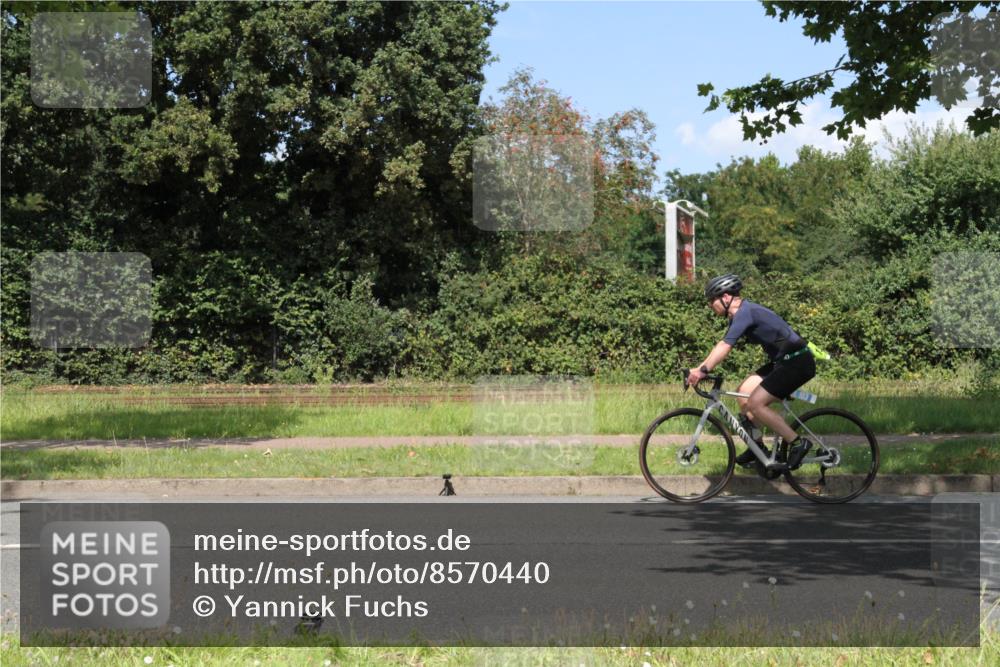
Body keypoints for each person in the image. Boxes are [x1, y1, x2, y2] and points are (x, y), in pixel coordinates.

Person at [686, 274, 816, 469]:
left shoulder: (746, 312)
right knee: (744, 393)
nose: (710, 305)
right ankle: (758, 447)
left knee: (756, 404)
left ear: (726, 297)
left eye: (712, 300)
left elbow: (725, 346)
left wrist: (703, 370)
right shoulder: (741, 314)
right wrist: (699, 369)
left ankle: (798, 443)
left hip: (797, 362)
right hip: (784, 361)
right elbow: (721, 345)